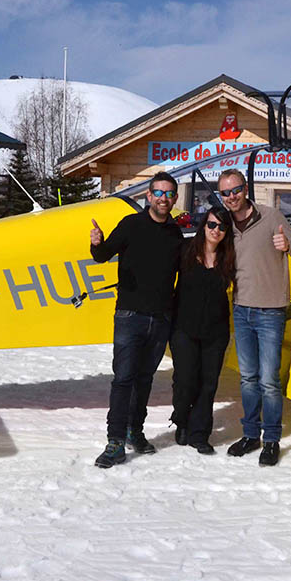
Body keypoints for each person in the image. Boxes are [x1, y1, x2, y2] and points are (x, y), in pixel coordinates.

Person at [89, 172, 183, 468]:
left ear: (175, 198)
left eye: (169, 194)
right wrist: (96, 243)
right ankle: (115, 442)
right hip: (130, 315)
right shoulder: (131, 225)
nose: (163, 198)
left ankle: (135, 431)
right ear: (148, 196)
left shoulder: (175, 233)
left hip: (161, 317)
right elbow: (102, 256)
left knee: (144, 379)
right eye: (158, 192)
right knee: (124, 380)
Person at [217, 168, 291, 466]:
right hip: (241, 310)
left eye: (236, 190)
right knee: (248, 378)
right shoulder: (224, 225)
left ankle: (271, 440)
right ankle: (250, 435)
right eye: (225, 193)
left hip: (270, 311)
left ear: (246, 189)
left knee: (269, 381)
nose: (232, 197)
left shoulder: (272, 217)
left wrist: (288, 246)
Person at [169, 205, 235, 455]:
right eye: (211, 224)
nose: (216, 230)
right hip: (184, 327)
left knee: (208, 384)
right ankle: (181, 420)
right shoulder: (185, 251)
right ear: (203, 225)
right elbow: (160, 270)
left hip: (215, 332)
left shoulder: (229, 258)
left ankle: (199, 434)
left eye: (221, 226)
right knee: (185, 380)